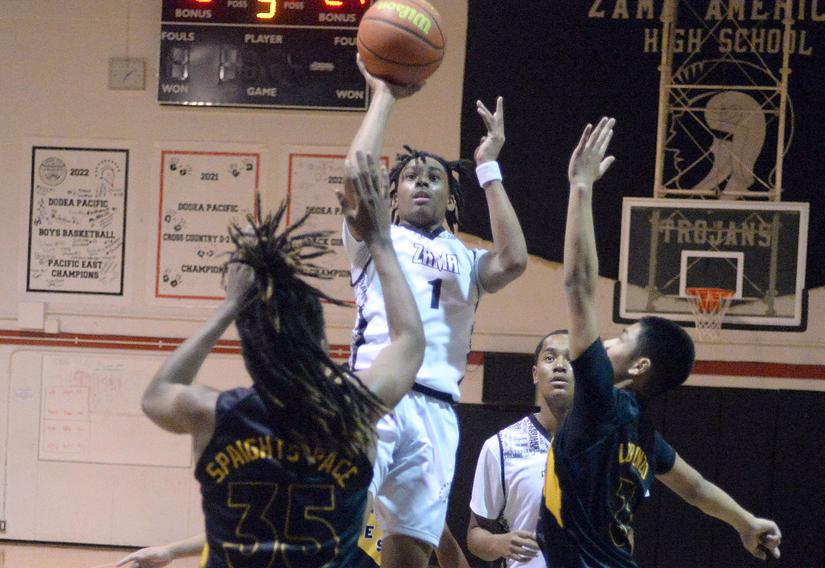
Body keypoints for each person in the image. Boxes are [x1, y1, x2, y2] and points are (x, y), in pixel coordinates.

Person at [130, 153, 425, 568]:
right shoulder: (355, 410)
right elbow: (410, 340)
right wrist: (379, 240)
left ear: (248, 351)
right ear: (320, 340)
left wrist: (231, 305)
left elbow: (155, 395)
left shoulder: (214, 414)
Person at [536, 117, 783, 567]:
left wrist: (581, 187)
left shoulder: (599, 403)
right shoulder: (641, 431)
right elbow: (696, 489)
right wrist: (745, 521)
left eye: (622, 338)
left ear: (639, 366)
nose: (607, 342)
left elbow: (577, 283)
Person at [343, 57, 527, 568]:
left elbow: (514, 259)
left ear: (451, 197)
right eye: (409, 177)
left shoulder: (467, 260)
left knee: (410, 557)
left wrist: (488, 165)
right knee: (333, 522)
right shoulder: (377, 236)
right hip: (374, 394)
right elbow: (356, 177)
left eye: (435, 177)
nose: (421, 182)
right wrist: (383, 95)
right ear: (394, 196)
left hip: (439, 412)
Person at [467, 330, 573, 568]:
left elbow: (621, 530)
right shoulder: (500, 446)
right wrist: (499, 544)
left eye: (571, 359)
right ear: (536, 374)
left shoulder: (608, 446)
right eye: (549, 358)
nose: (559, 366)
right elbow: (475, 534)